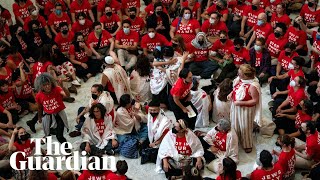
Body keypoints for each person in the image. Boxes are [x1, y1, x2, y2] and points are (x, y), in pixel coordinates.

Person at [230, 64, 261, 153]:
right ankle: (237, 138)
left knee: (245, 127)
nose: (238, 72)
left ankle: (247, 144)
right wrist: (231, 94)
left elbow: (255, 100)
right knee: (235, 124)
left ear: (246, 75)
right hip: (236, 106)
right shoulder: (240, 80)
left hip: (246, 110)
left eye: (240, 71)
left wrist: (240, 103)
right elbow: (236, 88)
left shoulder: (253, 86)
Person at [34, 73, 69, 148]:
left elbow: (66, 95)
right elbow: (40, 107)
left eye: (48, 84)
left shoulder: (57, 89)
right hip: (47, 116)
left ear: (51, 83)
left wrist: (62, 86)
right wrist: (39, 117)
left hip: (59, 115)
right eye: (44, 85)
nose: (47, 87)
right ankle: (47, 137)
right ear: (40, 86)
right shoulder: (39, 95)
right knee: (47, 132)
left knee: (59, 136)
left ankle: (66, 148)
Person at [114, 94, 148, 158]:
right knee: (124, 141)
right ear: (126, 104)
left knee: (147, 127)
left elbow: (141, 116)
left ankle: (140, 142)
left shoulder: (132, 106)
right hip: (125, 131)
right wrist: (135, 114)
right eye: (130, 101)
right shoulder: (120, 112)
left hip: (136, 129)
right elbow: (128, 124)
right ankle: (139, 142)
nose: (132, 102)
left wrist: (136, 113)